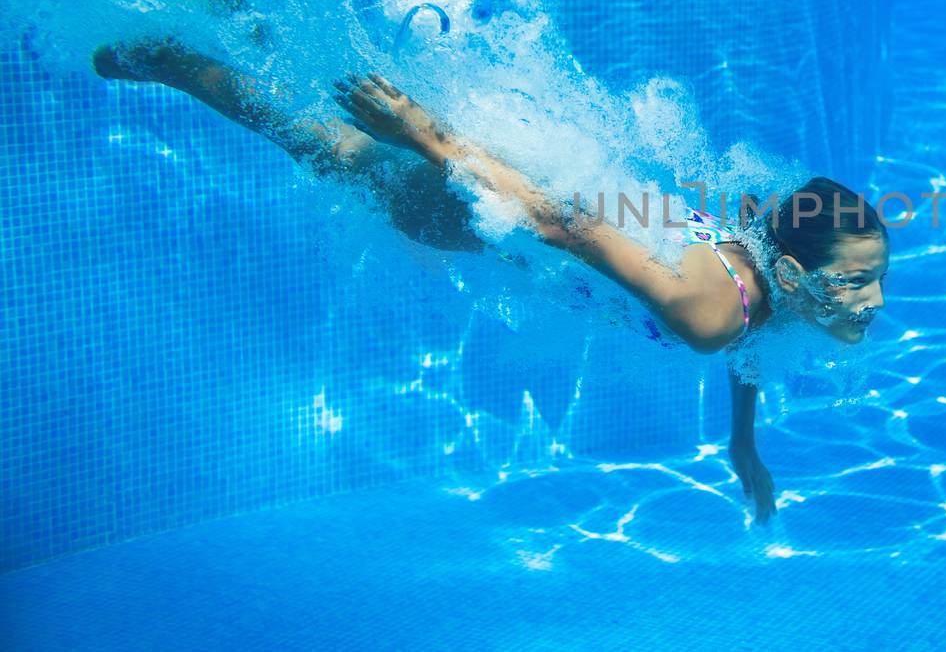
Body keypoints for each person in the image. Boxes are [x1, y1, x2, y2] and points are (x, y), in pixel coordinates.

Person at [92, 37, 890, 525]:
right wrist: (431, 140)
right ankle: (171, 64)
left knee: (334, 109)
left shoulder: (756, 263)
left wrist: (742, 443)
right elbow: (559, 226)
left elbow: (755, 339)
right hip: (479, 204)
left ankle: (239, 17)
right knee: (311, 138)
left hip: (528, 154)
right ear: (792, 272)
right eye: (857, 281)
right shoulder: (710, 311)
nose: (875, 301)